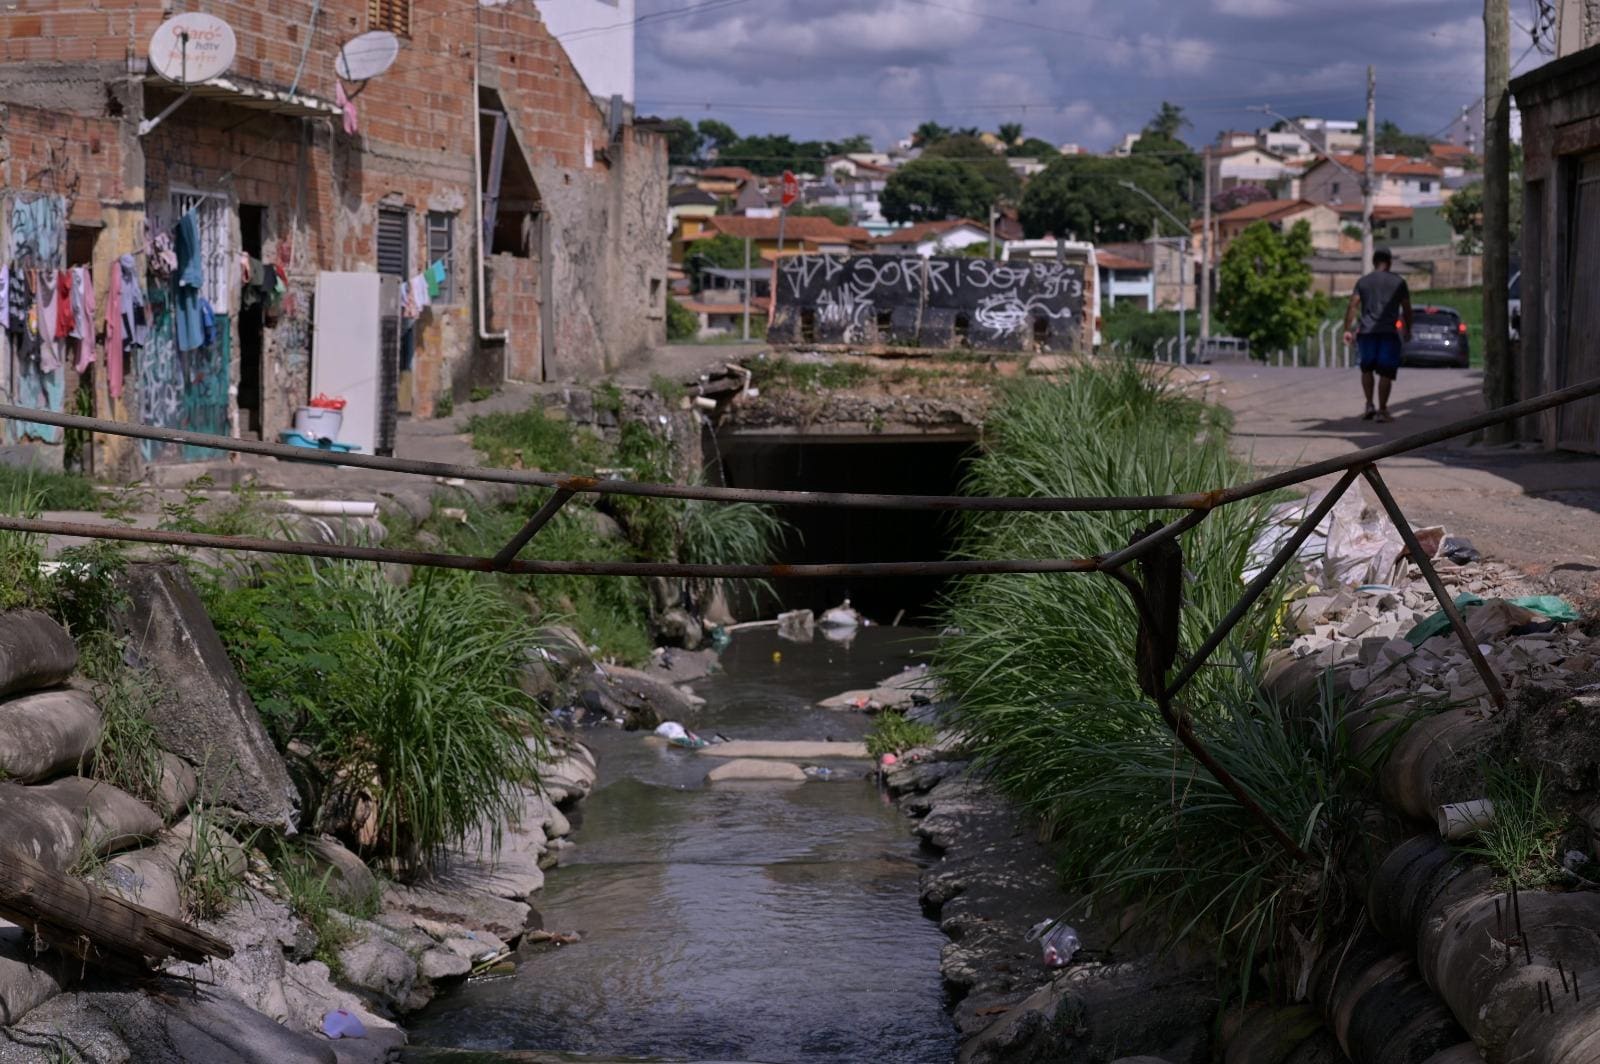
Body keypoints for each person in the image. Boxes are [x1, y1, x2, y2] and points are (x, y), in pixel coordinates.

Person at [1342, 247, 1412, 422]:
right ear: (1389, 262)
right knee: (1385, 373)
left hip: (1366, 332)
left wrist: (1347, 329)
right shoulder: (1398, 282)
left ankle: (1369, 404)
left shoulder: (1363, 282)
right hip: (1388, 333)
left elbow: (1352, 305)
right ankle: (1382, 410)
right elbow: (1407, 308)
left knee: (1366, 369)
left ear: (1374, 262)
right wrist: (1408, 328)